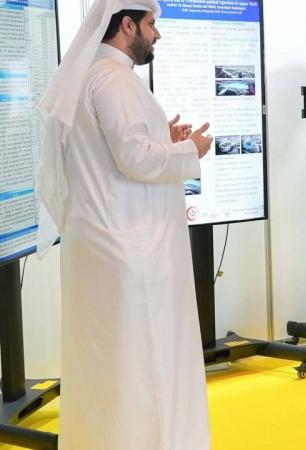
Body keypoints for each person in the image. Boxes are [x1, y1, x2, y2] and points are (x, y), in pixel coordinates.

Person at [35, 1, 213, 449]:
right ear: (127, 24)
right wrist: (189, 149)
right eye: (151, 24)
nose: (157, 34)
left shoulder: (90, 77)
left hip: (104, 247)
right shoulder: (113, 80)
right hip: (131, 253)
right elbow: (135, 158)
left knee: (107, 366)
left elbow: (113, 151)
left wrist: (163, 140)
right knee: (142, 366)